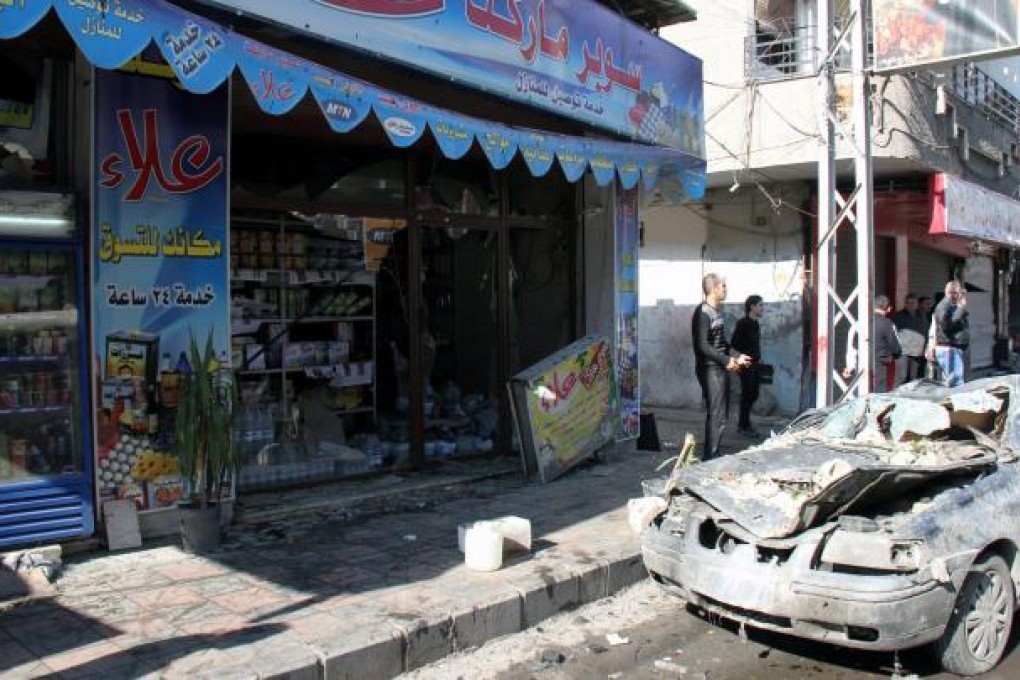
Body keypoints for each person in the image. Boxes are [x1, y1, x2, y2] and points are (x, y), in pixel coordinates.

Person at [692, 273, 752, 460]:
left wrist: (737, 355)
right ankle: (709, 456)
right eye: (723, 286)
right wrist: (726, 361)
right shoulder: (702, 313)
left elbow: (721, 342)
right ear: (714, 288)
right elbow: (703, 345)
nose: (726, 289)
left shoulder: (717, 311)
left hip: (719, 367)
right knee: (716, 413)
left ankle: (714, 452)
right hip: (710, 368)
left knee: (722, 414)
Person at [842, 294, 901, 392]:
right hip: (880, 365)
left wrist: (849, 366)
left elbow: (852, 347)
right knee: (879, 395)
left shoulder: (858, 323)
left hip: (860, 364)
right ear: (889, 309)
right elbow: (896, 348)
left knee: (860, 393)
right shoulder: (888, 324)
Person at [730, 295, 764, 438]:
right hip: (745, 364)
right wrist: (739, 360)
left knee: (754, 393)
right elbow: (733, 345)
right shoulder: (742, 323)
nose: (763, 309)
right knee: (747, 394)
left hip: (755, 364)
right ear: (752, 307)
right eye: (760, 306)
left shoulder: (755, 324)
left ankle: (745, 423)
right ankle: (743, 425)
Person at [927, 280, 969, 387]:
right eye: (961, 293)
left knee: (955, 381)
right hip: (949, 349)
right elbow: (946, 326)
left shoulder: (951, 305)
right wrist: (961, 309)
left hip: (954, 348)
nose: (963, 296)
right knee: (955, 383)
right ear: (954, 293)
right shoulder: (943, 306)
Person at [892, 293, 927, 384]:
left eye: (913, 303)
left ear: (917, 304)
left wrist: (925, 348)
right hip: (903, 352)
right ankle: (897, 396)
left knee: (913, 378)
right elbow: (893, 333)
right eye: (908, 303)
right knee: (901, 376)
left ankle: (911, 396)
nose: (910, 305)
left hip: (916, 352)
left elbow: (925, 332)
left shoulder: (922, 316)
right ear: (905, 304)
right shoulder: (898, 316)